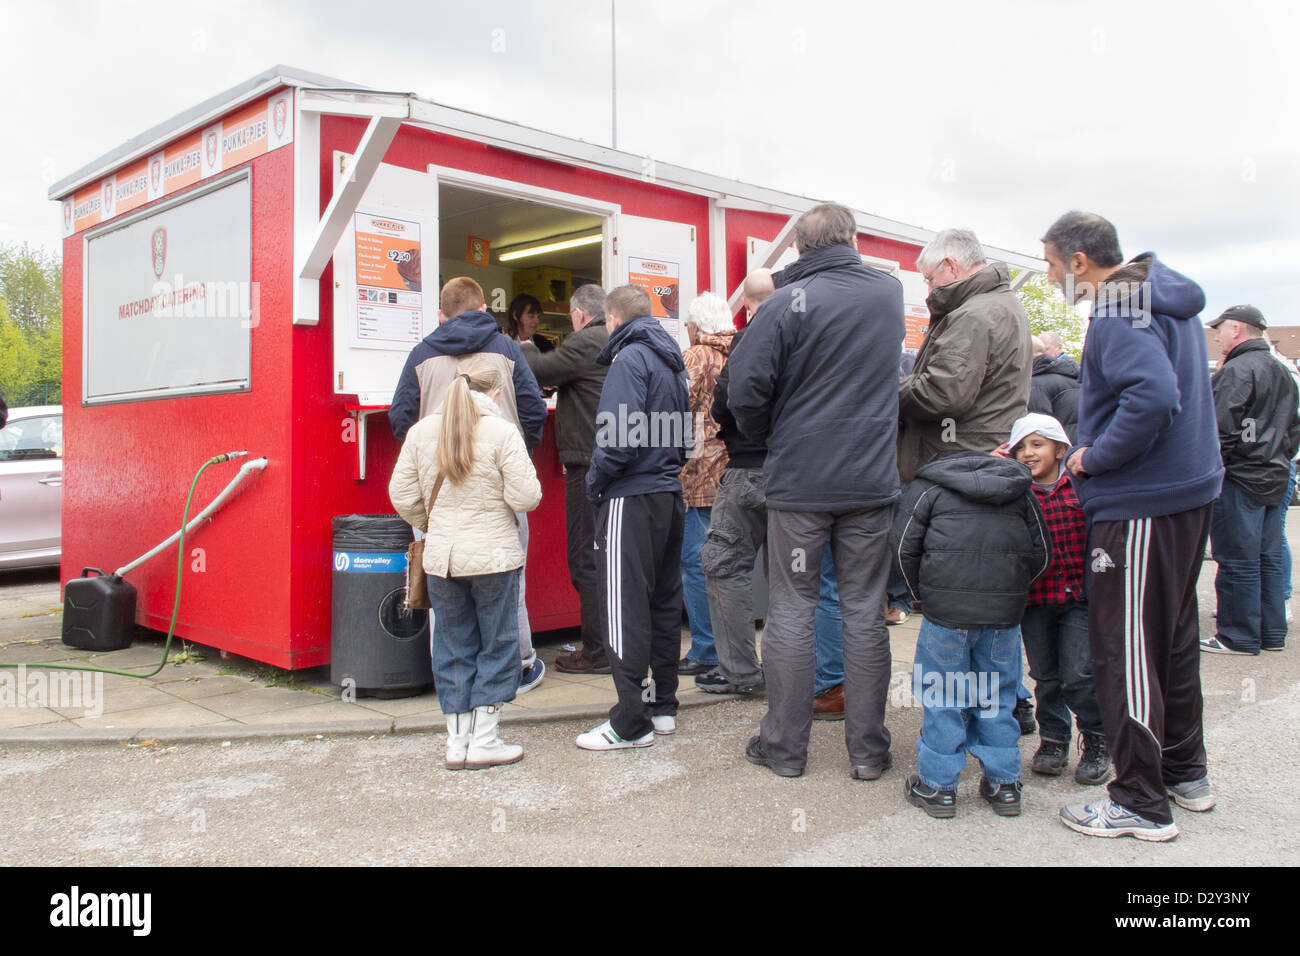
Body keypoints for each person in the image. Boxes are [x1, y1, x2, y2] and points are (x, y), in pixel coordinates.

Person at [1042, 211, 1223, 842]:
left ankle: (1140, 800)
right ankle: (1183, 773)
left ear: (1079, 262)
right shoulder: (1160, 294)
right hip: (1187, 492)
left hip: (1141, 501)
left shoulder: (1118, 308)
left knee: (1125, 649)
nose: (1050, 276)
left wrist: (1092, 457)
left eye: (1050, 265)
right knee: (1170, 637)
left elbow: (1152, 395)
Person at [727, 202, 903, 779]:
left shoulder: (782, 305)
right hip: (870, 481)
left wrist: (774, 436)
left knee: (793, 608)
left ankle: (784, 748)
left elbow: (745, 389)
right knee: (863, 610)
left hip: (802, 482)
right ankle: (869, 753)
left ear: (800, 249)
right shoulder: (889, 294)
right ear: (852, 239)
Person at [893, 227, 1036, 731]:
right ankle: (1009, 704)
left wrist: (892, 388)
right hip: (985, 465)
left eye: (930, 278)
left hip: (961, 471)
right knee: (993, 602)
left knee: (957, 604)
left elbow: (944, 393)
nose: (928, 290)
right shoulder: (1000, 305)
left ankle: (978, 720)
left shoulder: (974, 314)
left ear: (951, 267)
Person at [699, 269, 848, 714]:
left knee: (724, 564)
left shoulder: (753, 338)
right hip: (814, 472)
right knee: (814, 579)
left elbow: (728, 401)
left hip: (752, 469)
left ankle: (744, 674)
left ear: (745, 303)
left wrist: (751, 437)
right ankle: (829, 684)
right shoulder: (826, 338)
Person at [390, 277, 549, 693]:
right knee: (508, 578)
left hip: (436, 492)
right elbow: (533, 411)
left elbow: (400, 418)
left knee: (440, 581)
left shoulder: (422, 353)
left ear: (441, 315)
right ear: (484, 310)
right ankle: (519, 666)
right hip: (498, 487)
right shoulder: (508, 349)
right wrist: (517, 453)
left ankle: (452, 678)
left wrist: (427, 459)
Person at [388, 356, 542, 769]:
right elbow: (527, 497)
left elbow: (400, 492)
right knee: (498, 643)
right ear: (494, 392)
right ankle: (486, 740)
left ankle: (456, 743)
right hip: (493, 558)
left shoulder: (421, 433)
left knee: (453, 647)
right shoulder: (501, 432)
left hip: (443, 559)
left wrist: (430, 522)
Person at [893, 450, 1050, 817]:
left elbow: (902, 549)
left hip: (944, 615)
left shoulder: (929, 488)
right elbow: (1041, 554)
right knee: (997, 695)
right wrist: (1010, 596)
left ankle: (938, 786)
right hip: (1003, 618)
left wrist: (923, 597)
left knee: (942, 695)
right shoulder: (1020, 491)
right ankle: (1004, 784)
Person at [576, 285, 691, 750]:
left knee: (624, 607)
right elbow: (685, 442)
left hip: (630, 494)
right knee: (664, 604)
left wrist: (595, 482)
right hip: (667, 494)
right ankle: (662, 706)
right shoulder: (672, 363)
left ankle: (629, 721)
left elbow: (618, 439)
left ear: (611, 319)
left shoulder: (628, 359)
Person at [1000, 413, 1108, 784]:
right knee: (1045, 675)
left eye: (1037, 444)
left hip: (1079, 596)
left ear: (1061, 449)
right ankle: (1054, 738)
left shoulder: (1080, 486)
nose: (1028, 454)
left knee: (1078, 673)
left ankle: (1096, 737)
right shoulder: (1017, 493)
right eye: (1020, 448)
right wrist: (996, 464)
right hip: (1037, 600)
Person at [1202, 305, 1300, 655]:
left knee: (1237, 557)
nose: (1217, 336)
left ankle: (1238, 635)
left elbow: (1220, 429)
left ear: (1238, 330)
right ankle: (1271, 632)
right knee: (1268, 555)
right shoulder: (1282, 370)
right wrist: (1277, 458)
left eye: (1221, 329)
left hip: (1241, 477)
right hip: (1273, 474)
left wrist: (1216, 469)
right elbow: (1293, 428)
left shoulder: (1237, 371)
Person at [525, 283, 611, 674]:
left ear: (578, 314)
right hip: (615, 460)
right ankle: (613, 645)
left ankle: (597, 652)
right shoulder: (613, 338)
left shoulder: (586, 341)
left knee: (585, 558)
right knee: (607, 557)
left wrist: (520, 344)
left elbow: (540, 369)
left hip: (587, 462)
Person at [676, 292, 735, 676]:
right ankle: (730, 649)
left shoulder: (696, 355)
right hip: (734, 470)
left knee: (695, 562)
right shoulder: (739, 349)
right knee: (728, 563)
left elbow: (677, 406)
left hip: (701, 473)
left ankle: (706, 648)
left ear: (697, 326)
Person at [1029, 334, 1081, 443]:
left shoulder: (1036, 383)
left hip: (1059, 452)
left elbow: (1039, 432)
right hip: (1084, 448)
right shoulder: (1077, 376)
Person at [506, 292, 554, 357]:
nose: (536, 321)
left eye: (538, 317)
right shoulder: (503, 343)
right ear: (515, 316)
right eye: (531, 316)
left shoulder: (545, 344)